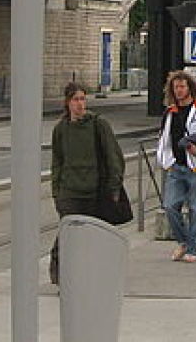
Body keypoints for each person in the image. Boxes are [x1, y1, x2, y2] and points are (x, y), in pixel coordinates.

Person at [49, 81, 125, 284]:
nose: (80, 104)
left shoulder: (98, 125)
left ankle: (95, 274)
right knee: (68, 234)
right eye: (76, 99)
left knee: (93, 236)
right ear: (67, 102)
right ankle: (61, 276)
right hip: (70, 191)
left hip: (94, 191)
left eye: (83, 99)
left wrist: (114, 187)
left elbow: (113, 157)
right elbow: (57, 161)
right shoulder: (61, 130)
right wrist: (56, 191)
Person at [156, 71, 196, 263]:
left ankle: (192, 248)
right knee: (169, 206)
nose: (178, 91)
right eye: (176, 87)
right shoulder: (170, 113)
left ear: (190, 88)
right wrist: (165, 160)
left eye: (182, 87)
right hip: (176, 168)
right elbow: (164, 138)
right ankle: (183, 241)